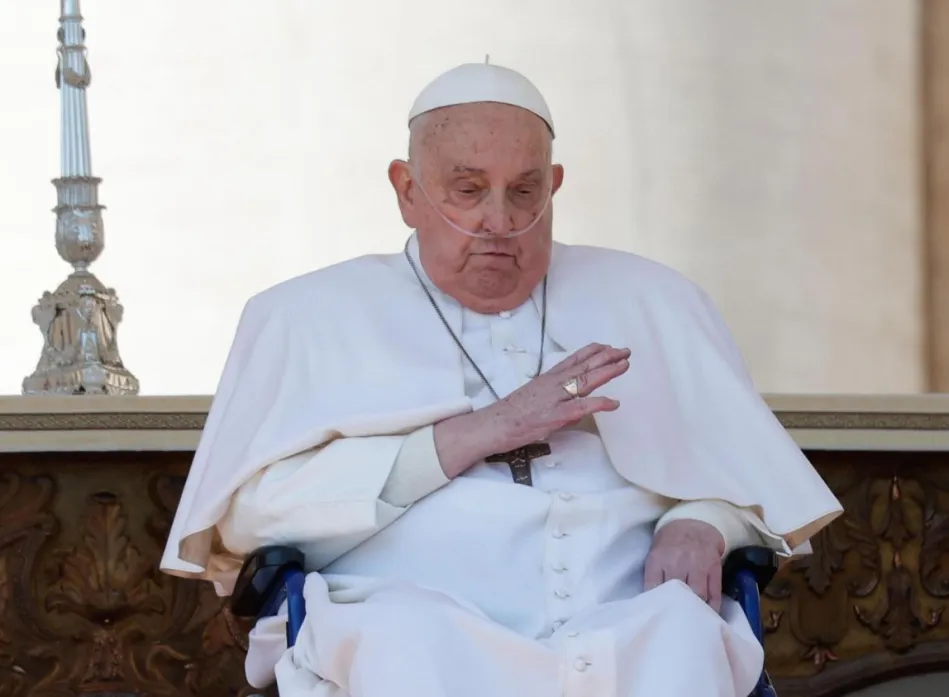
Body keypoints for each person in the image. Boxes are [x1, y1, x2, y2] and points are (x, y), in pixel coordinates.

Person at [161, 61, 842, 697]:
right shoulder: (303, 317)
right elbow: (247, 521)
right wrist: (475, 434)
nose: (501, 222)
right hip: (413, 617)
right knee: (405, 642)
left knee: (684, 634)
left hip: (629, 621)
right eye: (468, 189)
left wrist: (704, 520)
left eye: (526, 191)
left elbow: (751, 486)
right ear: (406, 190)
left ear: (556, 185)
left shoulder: (654, 301)